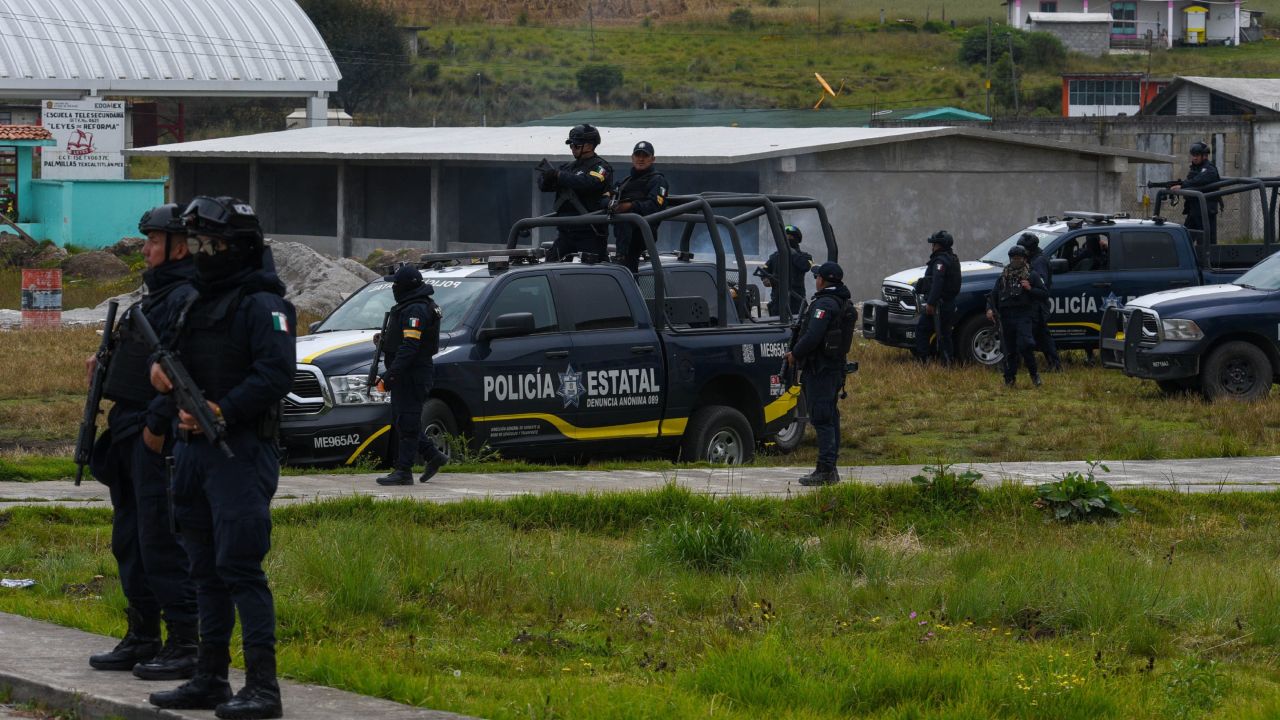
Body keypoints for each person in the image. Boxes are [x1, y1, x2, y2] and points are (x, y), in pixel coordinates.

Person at [146, 196, 295, 720]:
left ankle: (263, 687)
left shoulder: (263, 304)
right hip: (194, 453)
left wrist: (222, 411)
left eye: (212, 244)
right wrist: (163, 387)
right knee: (203, 568)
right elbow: (167, 359)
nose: (203, 254)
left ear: (238, 247)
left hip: (240, 452)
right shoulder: (195, 302)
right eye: (199, 243)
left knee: (239, 568)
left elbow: (276, 375)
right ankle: (210, 677)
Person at [86, 204, 199, 681]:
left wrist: (156, 428)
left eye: (154, 241)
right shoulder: (150, 302)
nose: (147, 249)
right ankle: (142, 634)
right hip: (129, 431)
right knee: (129, 541)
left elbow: (180, 373)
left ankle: (184, 643)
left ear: (179, 245)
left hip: (159, 439)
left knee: (161, 541)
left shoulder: (187, 298)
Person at [374, 264, 448, 487]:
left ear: (405, 286)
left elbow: (410, 347)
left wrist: (390, 376)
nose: (394, 287)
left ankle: (404, 471)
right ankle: (433, 455)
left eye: (396, 283)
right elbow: (406, 341)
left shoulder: (415, 309)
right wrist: (385, 341)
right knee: (403, 419)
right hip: (409, 372)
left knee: (407, 421)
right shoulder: (412, 306)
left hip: (412, 374)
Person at [785, 261, 854, 487]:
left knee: (823, 418)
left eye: (817, 277)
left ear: (822, 280)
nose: (815, 280)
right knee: (830, 416)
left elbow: (813, 335)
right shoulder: (842, 302)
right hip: (833, 368)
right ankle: (829, 468)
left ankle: (825, 470)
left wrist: (795, 354)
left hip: (821, 370)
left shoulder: (824, 304)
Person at [536, 124, 614, 262]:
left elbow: (588, 183)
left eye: (576, 146)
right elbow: (543, 186)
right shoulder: (568, 167)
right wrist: (548, 177)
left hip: (590, 233)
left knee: (595, 273)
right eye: (571, 145)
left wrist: (559, 176)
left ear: (589, 146)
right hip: (565, 232)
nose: (572, 149)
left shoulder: (601, 167)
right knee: (550, 265)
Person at [987, 245, 1049, 388]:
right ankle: (1009, 379)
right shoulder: (1003, 276)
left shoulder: (1031, 275)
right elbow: (993, 296)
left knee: (1025, 345)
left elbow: (1044, 294)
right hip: (1006, 316)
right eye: (1013, 258)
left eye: (1018, 258)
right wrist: (990, 309)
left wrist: (1030, 288)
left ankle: (1034, 375)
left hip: (1024, 315)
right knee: (1009, 349)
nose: (1015, 261)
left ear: (1024, 259)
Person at [610, 140, 669, 273]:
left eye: (645, 156)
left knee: (629, 270)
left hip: (642, 233)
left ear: (652, 159)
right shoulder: (625, 182)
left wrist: (630, 206)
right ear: (632, 158)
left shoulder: (658, 180)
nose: (641, 159)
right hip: (622, 237)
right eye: (638, 155)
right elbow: (608, 198)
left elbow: (654, 205)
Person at [914, 230, 961, 364]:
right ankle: (947, 362)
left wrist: (931, 302)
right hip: (949, 303)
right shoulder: (952, 258)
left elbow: (938, 282)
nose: (932, 246)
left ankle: (923, 361)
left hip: (939, 305)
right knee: (945, 334)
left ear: (939, 245)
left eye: (934, 244)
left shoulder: (940, 261)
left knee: (923, 330)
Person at [1017, 233, 1061, 372]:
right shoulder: (1033, 260)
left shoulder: (1038, 262)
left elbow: (1041, 286)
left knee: (1036, 337)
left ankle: (1053, 364)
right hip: (1034, 305)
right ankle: (1054, 364)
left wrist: (1029, 288)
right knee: (1042, 337)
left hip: (1038, 306)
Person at [1172, 141, 1221, 245]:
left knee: (1206, 242)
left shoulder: (1210, 169)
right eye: (1193, 155)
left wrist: (1183, 186)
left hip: (1205, 211)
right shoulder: (1195, 169)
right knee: (1185, 239)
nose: (1194, 158)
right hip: (1194, 210)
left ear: (1205, 156)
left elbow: (1200, 180)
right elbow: (1192, 180)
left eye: (1197, 155)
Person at [762, 225, 813, 316]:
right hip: (777, 300)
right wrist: (765, 278)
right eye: (785, 237)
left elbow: (806, 266)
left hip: (796, 300)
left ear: (796, 239)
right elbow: (764, 270)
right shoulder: (775, 256)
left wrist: (792, 253)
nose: (787, 240)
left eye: (790, 237)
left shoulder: (805, 256)